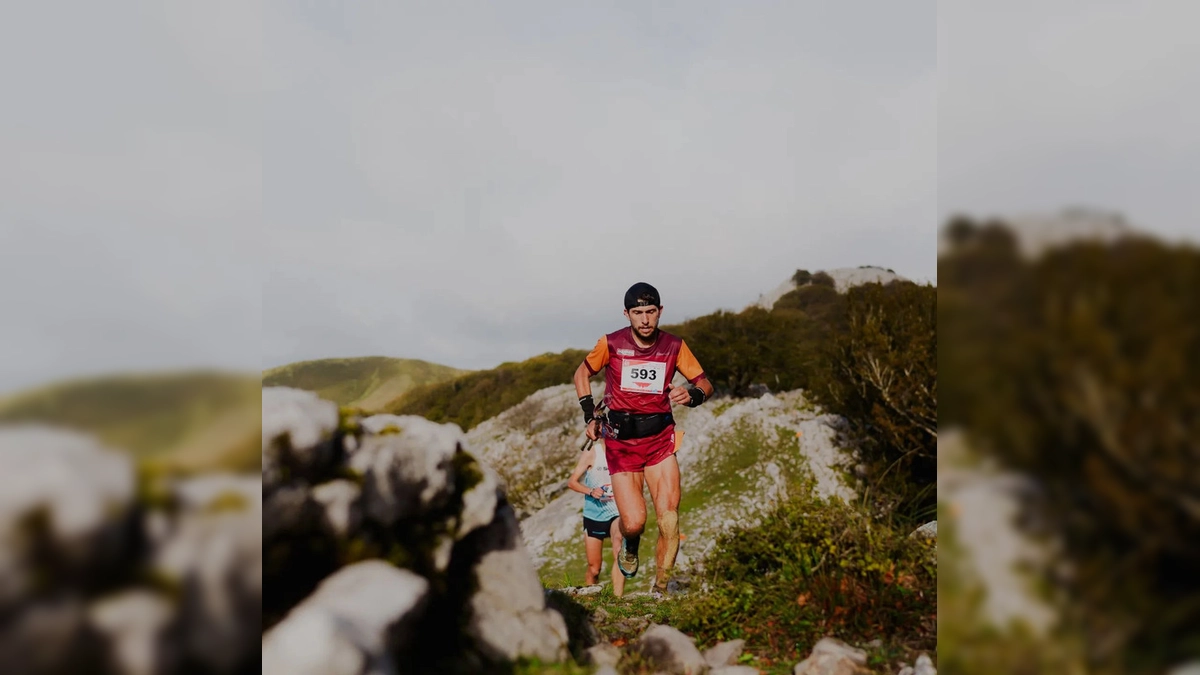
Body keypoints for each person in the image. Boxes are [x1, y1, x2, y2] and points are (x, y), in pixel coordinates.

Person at [572, 281, 714, 593]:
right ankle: (630, 544)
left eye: (651, 312)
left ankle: (661, 588)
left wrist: (691, 395)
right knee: (634, 522)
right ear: (627, 314)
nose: (645, 319)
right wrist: (588, 414)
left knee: (669, 520)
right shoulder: (610, 343)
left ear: (660, 312)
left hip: (660, 439)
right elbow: (581, 373)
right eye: (638, 313)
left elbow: (705, 383)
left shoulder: (675, 346)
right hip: (622, 444)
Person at [566, 438, 626, 597]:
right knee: (594, 568)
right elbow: (572, 482)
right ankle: (590, 600)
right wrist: (591, 491)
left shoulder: (625, 450)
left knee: (619, 549)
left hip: (616, 512)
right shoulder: (593, 452)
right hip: (594, 515)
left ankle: (617, 599)